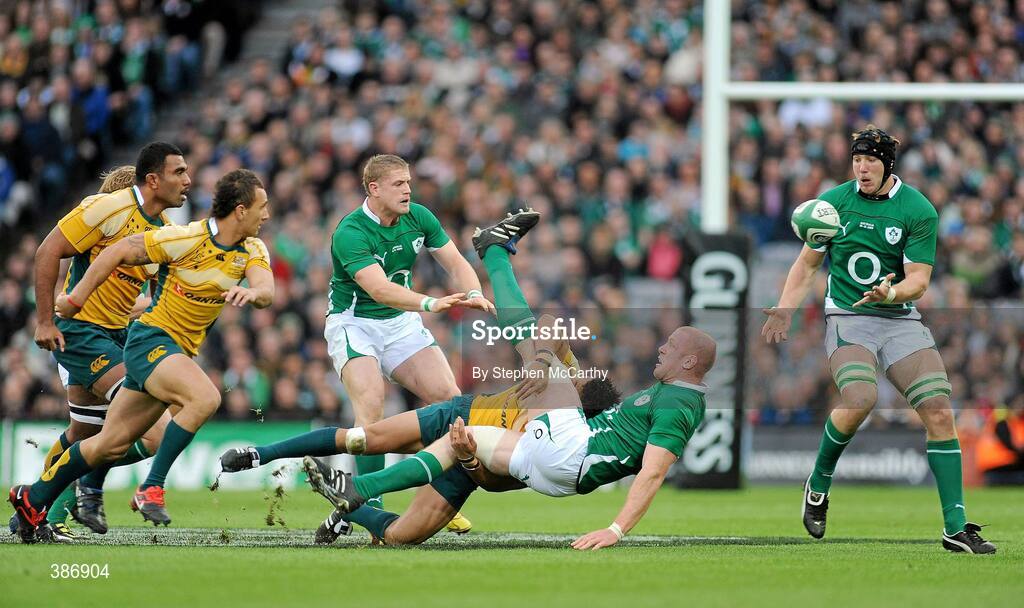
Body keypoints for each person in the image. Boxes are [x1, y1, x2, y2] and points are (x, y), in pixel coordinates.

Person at [221, 212, 621, 544]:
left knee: (397, 538)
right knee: (365, 433)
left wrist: (469, 460)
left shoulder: (560, 444)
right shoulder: (562, 381)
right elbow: (548, 325)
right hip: (459, 417)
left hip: (468, 468)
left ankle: (353, 510)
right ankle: (262, 454)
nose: (571, 381)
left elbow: (503, 480)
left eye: (576, 385)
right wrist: (544, 356)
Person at [761, 125, 996, 554]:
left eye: (870, 160)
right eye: (856, 160)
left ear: (888, 164)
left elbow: (919, 281)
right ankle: (818, 484)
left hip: (899, 317)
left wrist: (892, 292)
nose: (862, 167)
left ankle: (955, 527)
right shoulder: (832, 204)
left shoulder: (918, 209)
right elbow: (807, 265)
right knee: (860, 398)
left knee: (941, 413)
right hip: (849, 317)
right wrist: (785, 307)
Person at [8, 169, 274, 542]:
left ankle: (34, 500)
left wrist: (246, 294)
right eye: (262, 207)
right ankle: (137, 488)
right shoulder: (160, 230)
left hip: (127, 338)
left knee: (101, 438)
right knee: (201, 399)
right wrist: (66, 305)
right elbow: (78, 251)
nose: (268, 214)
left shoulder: (229, 245)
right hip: (107, 337)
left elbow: (261, 289)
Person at [301, 317, 716, 550]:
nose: (662, 348)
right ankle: (352, 495)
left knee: (546, 335)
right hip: (553, 465)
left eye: (672, 346)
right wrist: (466, 458)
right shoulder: (670, 390)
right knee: (400, 535)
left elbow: (654, 473)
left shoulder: (680, 404)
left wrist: (616, 529)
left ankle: (496, 253)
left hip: (571, 449)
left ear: (689, 361)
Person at [323, 154, 497, 532]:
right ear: (374, 188)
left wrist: (472, 291)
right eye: (399, 184)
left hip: (400, 323)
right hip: (354, 323)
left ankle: (441, 498)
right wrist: (431, 303)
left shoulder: (419, 216)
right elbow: (380, 289)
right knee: (370, 407)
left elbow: (454, 261)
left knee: (452, 405)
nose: (408, 190)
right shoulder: (350, 231)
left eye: (409, 182)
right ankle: (367, 503)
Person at [24, 146, 187, 541]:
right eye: (179, 172)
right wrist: (45, 320)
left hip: (116, 337)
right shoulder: (105, 210)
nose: (187, 181)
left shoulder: (162, 231)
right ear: (152, 181)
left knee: (83, 433)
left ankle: (35, 512)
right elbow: (48, 251)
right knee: (149, 426)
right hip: (81, 332)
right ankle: (85, 489)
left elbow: (152, 300)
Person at [977, 395, 1024, 486]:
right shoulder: (1002, 418)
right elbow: (1009, 443)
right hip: (1000, 463)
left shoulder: (1007, 419)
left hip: (994, 464)